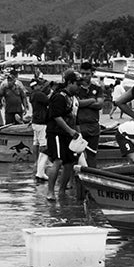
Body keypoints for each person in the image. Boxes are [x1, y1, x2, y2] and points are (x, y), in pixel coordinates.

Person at [44, 71, 82, 200]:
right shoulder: (59, 97)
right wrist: (70, 131)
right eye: (77, 84)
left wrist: (78, 134)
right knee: (58, 161)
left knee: (69, 163)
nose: (79, 87)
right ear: (70, 83)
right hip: (56, 133)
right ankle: (50, 191)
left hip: (68, 135)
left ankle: (61, 190)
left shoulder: (73, 99)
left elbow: (75, 119)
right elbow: (56, 117)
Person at [75, 64, 106, 172]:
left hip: (93, 126)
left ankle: (93, 178)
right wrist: (92, 100)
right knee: (76, 155)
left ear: (92, 74)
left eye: (87, 74)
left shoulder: (97, 88)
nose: (84, 76)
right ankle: (76, 181)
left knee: (92, 154)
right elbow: (76, 103)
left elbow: (100, 105)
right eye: (82, 73)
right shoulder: (76, 88)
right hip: (79, 125)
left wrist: (84, 103)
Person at [29, 78, 51, 181]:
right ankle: (41, 170)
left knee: (36, 142)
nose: (41, 87)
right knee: (44, 146)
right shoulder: (39, 94)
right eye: (40, 85)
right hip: (41, 122)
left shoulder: (32, 95)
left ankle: (36, 162)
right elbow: (49, 102)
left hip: (35, 121)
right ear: (36, 86)